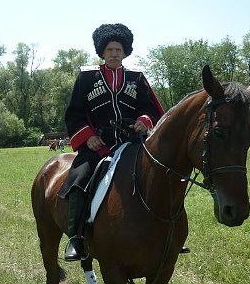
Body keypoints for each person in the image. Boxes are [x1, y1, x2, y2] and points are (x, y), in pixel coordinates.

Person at [58, 23, 188, 265]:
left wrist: (144, 120)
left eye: (118, 49)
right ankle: (76, 238)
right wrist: (88, 137)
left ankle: (172, 233)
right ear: (102, 51)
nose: (114, 53)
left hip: (133, 142)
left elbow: (150, 107)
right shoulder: (86, 78)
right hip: (98, 145)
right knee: (78, 180)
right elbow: (74, 113)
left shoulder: (137, 77)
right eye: (109, 49)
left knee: (163, 175)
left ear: (125, 51)